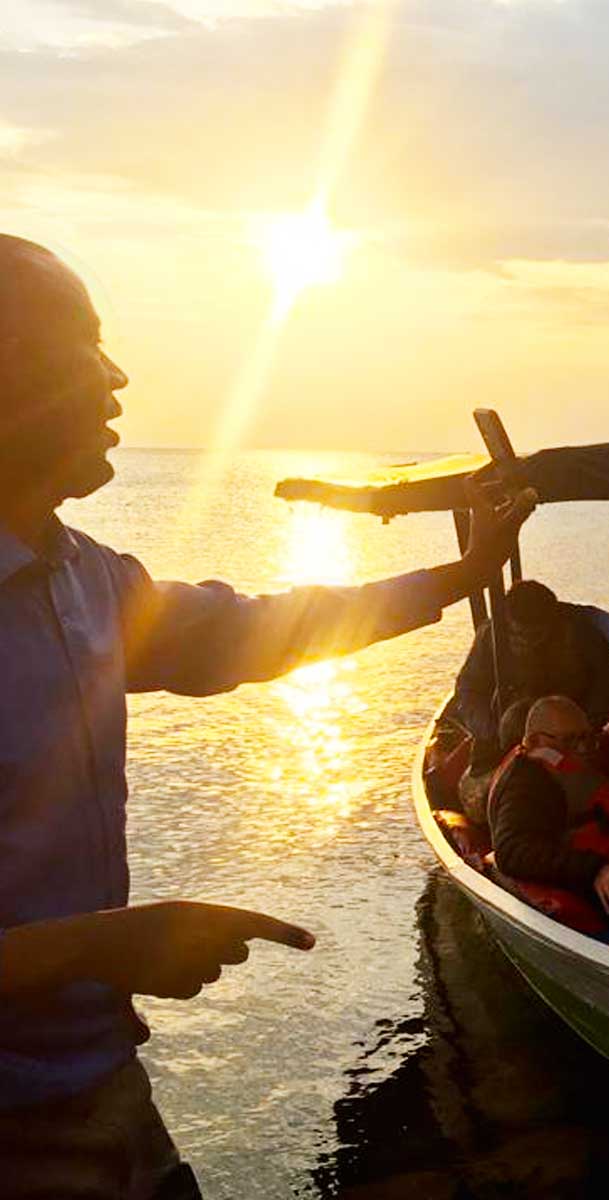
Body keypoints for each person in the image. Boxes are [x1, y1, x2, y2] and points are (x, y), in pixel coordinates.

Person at [0, 234, 534, 1195]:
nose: (117, 379)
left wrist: (460, 575)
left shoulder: (83, 581)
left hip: (106, 1095)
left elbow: (253, 630)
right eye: (84, 343)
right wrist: (103, 945)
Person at [488, 697, 609, 920]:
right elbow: (511, 851)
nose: (581, 748)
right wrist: (594, 871)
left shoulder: (572, 774)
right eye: (569, 740)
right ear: (534, 741)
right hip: (583, 887)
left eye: (586, 738)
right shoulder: (527, 783)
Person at [454, 578, 609, 780]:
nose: (525, 642)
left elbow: (605, 680)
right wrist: (492, 730)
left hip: (570, 736)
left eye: (534, 635)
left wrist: (586, 727)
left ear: (552, 620)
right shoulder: (490, 634)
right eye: (517, 635)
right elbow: (468, 689)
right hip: (506, 736)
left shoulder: (580, 631)